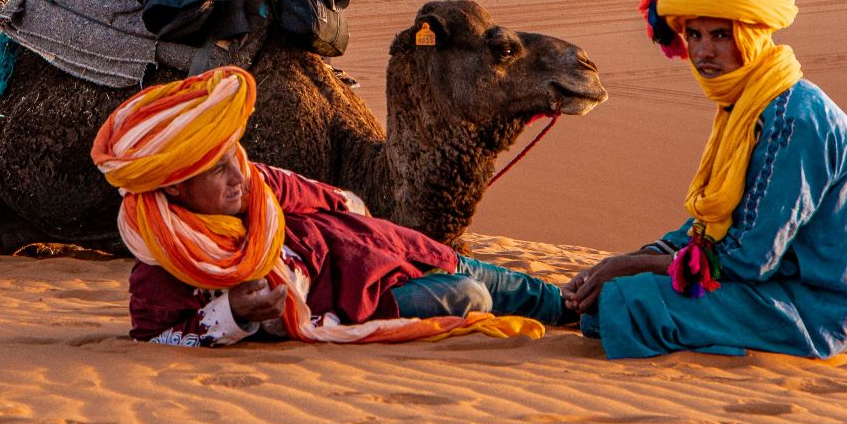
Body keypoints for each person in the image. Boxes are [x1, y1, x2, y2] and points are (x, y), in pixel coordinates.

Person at [92, 66, 570, 346]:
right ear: (173, 185)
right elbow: (158, 338)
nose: (240, 176)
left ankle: (599, 306)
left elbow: (343, 201)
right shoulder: (166, 263)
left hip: (398, 249)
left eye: (233, 158)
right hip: (370, 299)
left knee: (547, 298)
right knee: (473, 297)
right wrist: (234, 312)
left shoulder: (262, 185)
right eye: (217, 169)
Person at [562, 0, 847, 359]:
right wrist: (621, 263)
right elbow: (712, 227)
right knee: (604, 298)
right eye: (694, 34)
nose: (703, 51)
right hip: (764, 289)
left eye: (721, 35)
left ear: (752, 36)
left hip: (806, 310)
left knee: (625, 302)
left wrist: (631, 267)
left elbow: (751, 258)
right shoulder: (747, 104)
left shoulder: (792, 120)